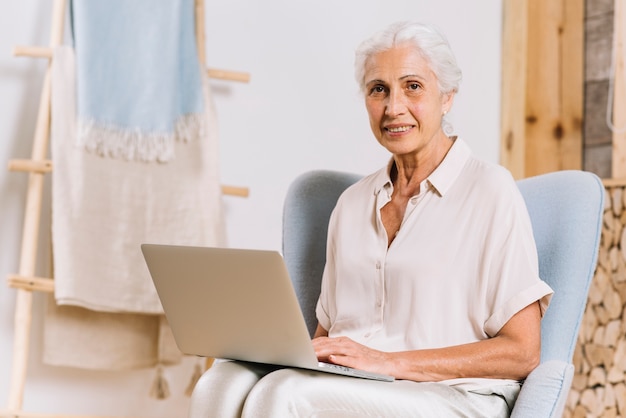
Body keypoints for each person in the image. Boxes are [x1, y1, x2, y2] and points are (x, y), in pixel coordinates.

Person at [191, 21, 553, 417]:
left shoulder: (490, 190)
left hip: (456, 396)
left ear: (447, 97)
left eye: (413, 86)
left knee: (283, 394)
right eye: (378, 89)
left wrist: (388, 361)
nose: (393, 107)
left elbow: (523, 352)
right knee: (220, 382)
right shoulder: (350, 205)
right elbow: (326, 337)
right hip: (357, 385)